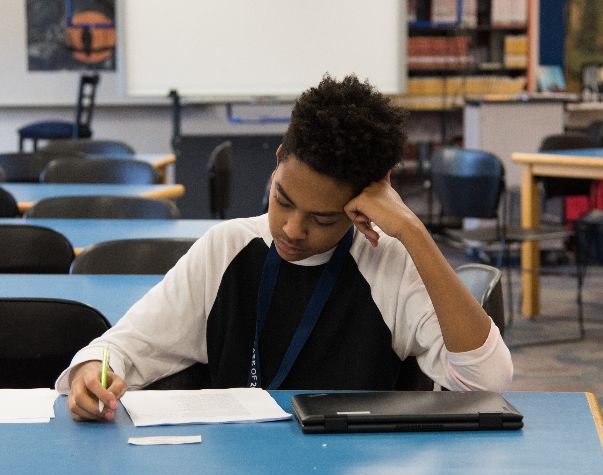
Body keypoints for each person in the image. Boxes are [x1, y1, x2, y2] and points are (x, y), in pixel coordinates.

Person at [58, 73, 513, 421]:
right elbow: (123, 347)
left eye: (322, 219)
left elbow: (487, 381)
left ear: (364, 204)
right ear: (278, 162)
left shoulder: (388, 264)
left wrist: (413, 232)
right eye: (283, 200)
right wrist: (90, 373)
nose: (293, 229)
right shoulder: (228, 248)